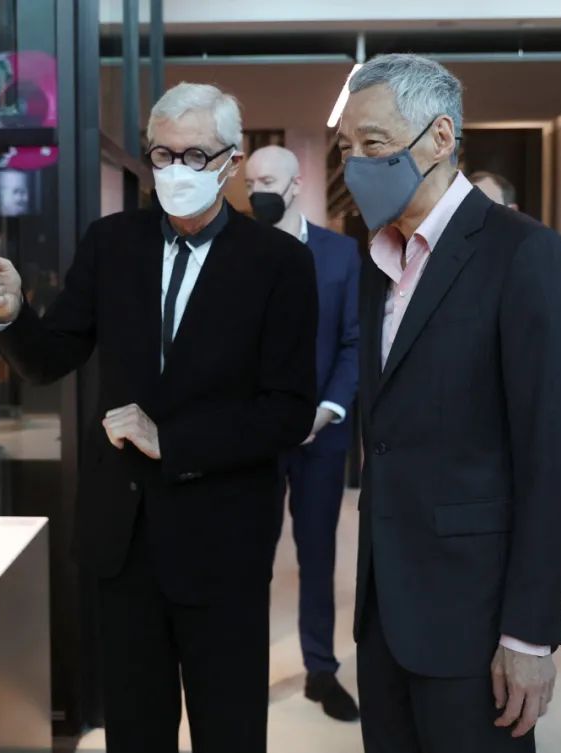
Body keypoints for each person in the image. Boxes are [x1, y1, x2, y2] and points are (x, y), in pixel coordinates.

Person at [0, 82, 318, 752]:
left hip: (222, 543)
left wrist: (171, 439)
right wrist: (11, 314)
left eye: (196, 155)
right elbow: (52, 355)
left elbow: (289, 411)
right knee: (134, 731)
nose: (177, 170)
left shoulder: (279, 262)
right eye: (163, 154)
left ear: (232, 162)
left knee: (230, 730)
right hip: (122, 539)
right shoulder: (112, 242)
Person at [337, 54, 561, 753]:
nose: (356, 164)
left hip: (475, 620)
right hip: (384, 613)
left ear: (440, 137)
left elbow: (551, 457)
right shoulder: (377, 261)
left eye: (374, 144)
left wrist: (528, 633)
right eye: (347, 148)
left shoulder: (524, 253)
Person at [245, 145, 362, 722]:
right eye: (249, 182)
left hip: (322, 436)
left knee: (317, 557)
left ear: (296, 184)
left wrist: (328, 410)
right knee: (249, 559)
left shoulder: (341, 254)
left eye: (267, 180)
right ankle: (242, 672)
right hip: (252, 440)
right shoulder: (232, 251)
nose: (256, 191)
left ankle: (320, 669)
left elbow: (354, 341)